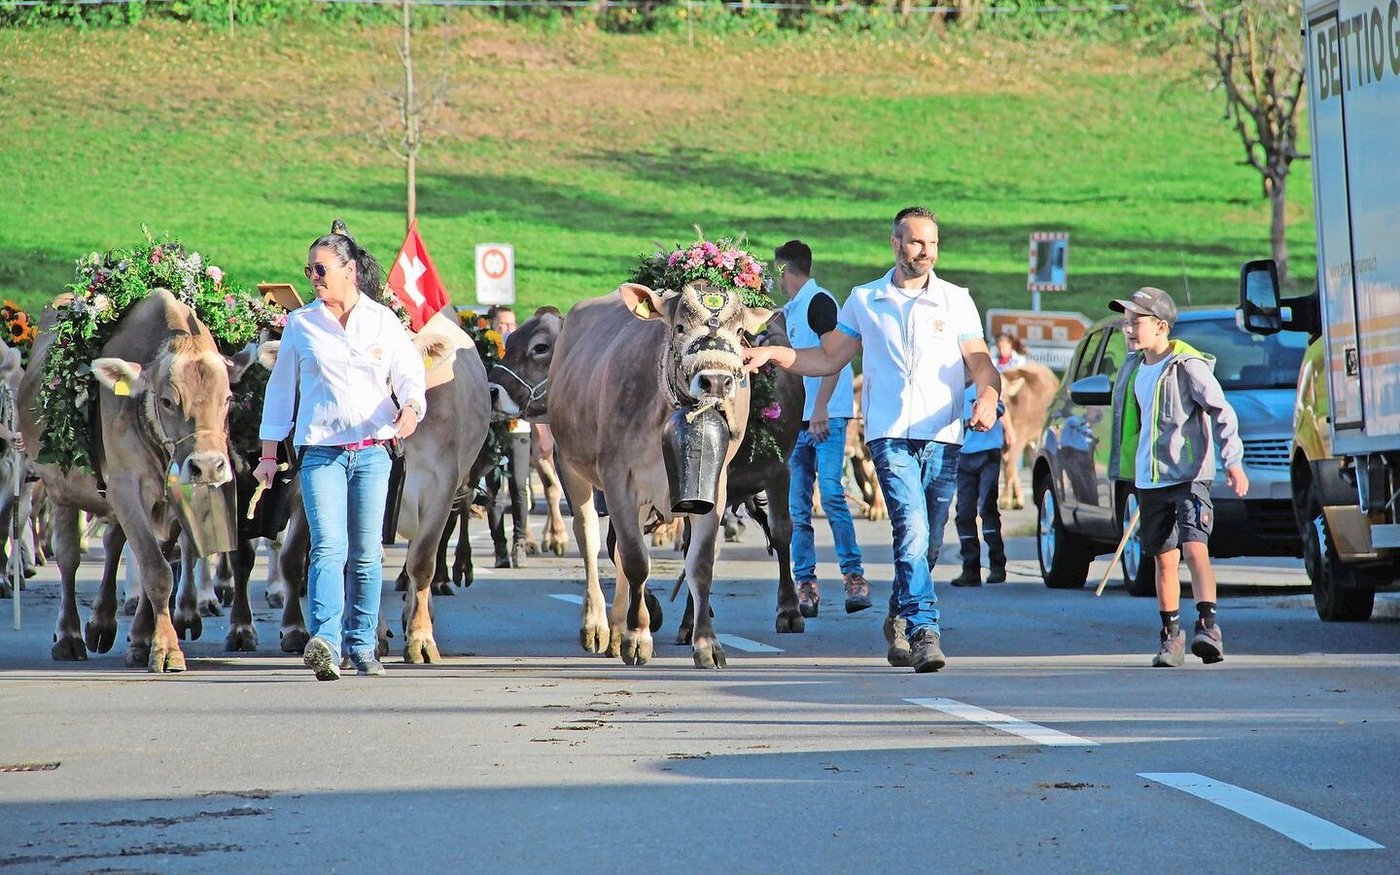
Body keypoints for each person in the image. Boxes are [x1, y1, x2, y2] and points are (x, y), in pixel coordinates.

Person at [743, 207, 1000, 673]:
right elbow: (827, 357)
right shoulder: (866, 299)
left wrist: (987, 394)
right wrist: (775, 353)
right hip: (889, 435)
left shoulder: (957, 300)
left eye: (933, 243)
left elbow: (980, 361)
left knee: (929, 543)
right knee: (912, 530)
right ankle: (925, 630)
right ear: (895, 243)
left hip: (944, 435)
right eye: (916, 242)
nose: (926, 252)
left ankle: (899, 616)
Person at [255, 222, 427, 681]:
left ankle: (363, 645)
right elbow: (280, 389)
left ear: (349, 271)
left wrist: (410, 406)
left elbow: (409, 373)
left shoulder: (382, 322)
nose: (313, 276)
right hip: (321, 454)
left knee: (368, 552)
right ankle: (326, 641)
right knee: (329, 547)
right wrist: (270, 453)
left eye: (321, 268)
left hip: (373, 452)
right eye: (309, 269)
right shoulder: (302, 323)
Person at [1106, 287, 1247, 667]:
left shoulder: (1187, 365)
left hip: (1188, 477)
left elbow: (1222, 411)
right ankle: (1171, 638)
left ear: (1161, 326)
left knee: (1195, 549)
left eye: (1136, 322)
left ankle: (1208, 627)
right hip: (1150, 482)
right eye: (1126, 323)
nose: (1129, 330)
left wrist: (1233, 461)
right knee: (1163, 560)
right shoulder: (1133, 369)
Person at [773, 240, 868, 618]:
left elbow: (836, 359)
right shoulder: (790, 310)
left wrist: (823, 408)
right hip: (796, 420)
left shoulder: (819, 302)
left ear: (784, 269)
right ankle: (805, 583)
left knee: (830, 494)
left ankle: (853, 575)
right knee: (797, 506)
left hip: (825, 416)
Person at [486, 304, 532, 568]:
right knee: (494, 491)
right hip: (492, 429)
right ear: (492, 326)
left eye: (512, 324)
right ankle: (499, 546)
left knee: (519, 486)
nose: (507, 330)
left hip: (519, 429)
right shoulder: (486, 350)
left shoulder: (521, 354)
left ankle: (520, 543)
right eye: (502, 324)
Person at [950, 384, 1005, 587]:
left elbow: (999, 408)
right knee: (964, 512)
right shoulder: (951, 386)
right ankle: (970, 569)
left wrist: (980, 416)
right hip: (962, 455)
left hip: (987, 453)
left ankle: (997, 565)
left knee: (987, 508)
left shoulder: (984, 384)